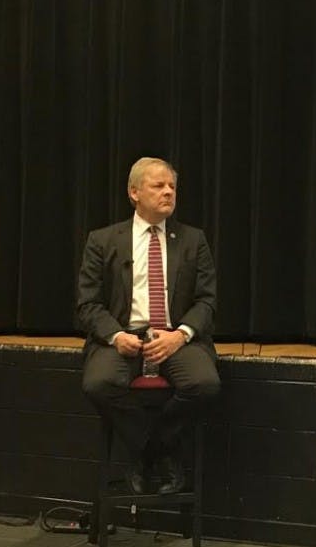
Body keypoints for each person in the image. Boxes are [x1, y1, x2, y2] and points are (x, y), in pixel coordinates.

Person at [77, 156, 220, 495]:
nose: (168, 192)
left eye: (172, 186)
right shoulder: (103, 240)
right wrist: (115, 335)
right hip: (124, 336)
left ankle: (148, 451)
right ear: (134, 193)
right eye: (158, 186)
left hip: (175, 336)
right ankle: (157, 452)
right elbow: (88, 304)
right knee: (98, 384)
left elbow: (207, 301)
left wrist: (180, 336)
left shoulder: (192, 239)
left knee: (204, 384)